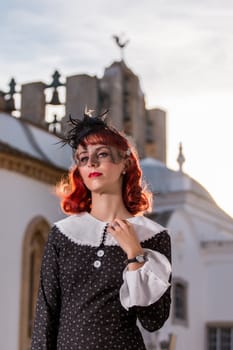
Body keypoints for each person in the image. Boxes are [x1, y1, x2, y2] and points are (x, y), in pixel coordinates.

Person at [31, 111, 172, 350]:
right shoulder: (63, 233)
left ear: (125, 163)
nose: (92, 163)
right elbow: (46, 314)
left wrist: (135, 254)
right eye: (83, 158)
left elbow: (153, 320)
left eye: (102, 154)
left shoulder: (153, 236)